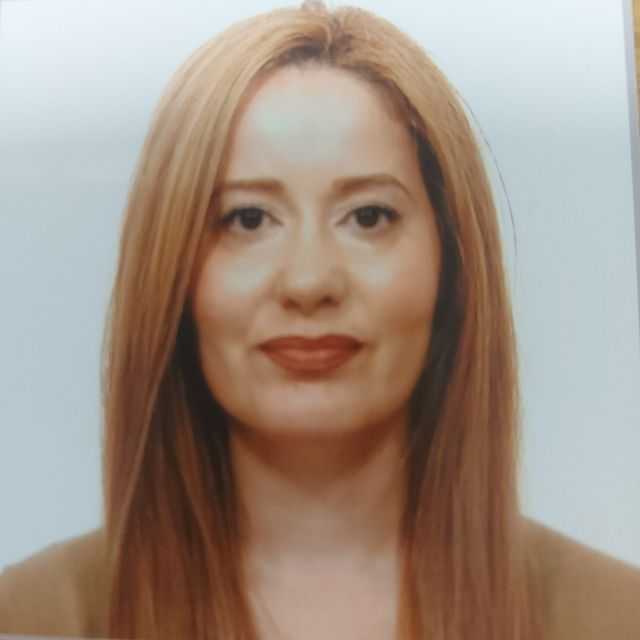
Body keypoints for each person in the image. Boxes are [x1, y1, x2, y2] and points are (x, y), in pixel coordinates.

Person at [1, 1, 639, 639]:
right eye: (248, 219)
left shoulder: (615, 616)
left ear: (451, 263)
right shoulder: (32, 615)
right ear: (172, 275)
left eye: (368, 217)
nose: (308, 283)